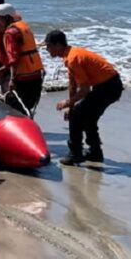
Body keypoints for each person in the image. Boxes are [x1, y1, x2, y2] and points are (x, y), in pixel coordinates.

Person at [44, 30, 123, 166]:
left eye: (49, 46)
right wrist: (70, 106)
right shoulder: (69, 55)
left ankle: (76, 154)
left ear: (58, 45)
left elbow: (85, 89)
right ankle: (95, 153)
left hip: (109, 87)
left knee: (77, 116)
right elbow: (73, 85)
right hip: (106, 86)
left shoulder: (73, 58)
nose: (47, 49)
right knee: (86, 117)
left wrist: (68, 103)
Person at [0, 4, 44, 117]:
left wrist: (12, 80)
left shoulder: (10, 33)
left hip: (23, 78)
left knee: (15, 108)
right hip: (37, 74)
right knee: (27, 108)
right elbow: (20, 56)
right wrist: (0, 70)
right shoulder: (23, 26)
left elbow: (13, 59)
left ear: (7, 18)